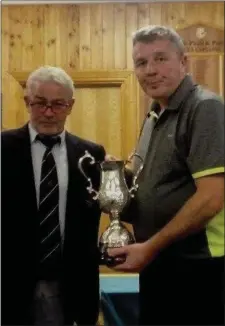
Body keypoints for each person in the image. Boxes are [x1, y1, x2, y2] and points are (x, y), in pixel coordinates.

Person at [107, 25, 224, 325]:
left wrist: (150, 247)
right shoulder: (154, 115)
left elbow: (212, 198)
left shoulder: (205, 108)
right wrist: (114, 176)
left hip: (201, 267)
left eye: (160, 59)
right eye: (141, 62)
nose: (150, 70)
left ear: (183, 62)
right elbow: (149, 185)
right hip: (160, 262)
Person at [1, 66, 106, 326]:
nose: (48, 113)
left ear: (70, 106)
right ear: (27, 102)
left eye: (58, 104)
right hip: (10, 283)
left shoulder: (92, 154)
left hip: (72, 286)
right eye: (39, 103)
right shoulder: (2, 148)